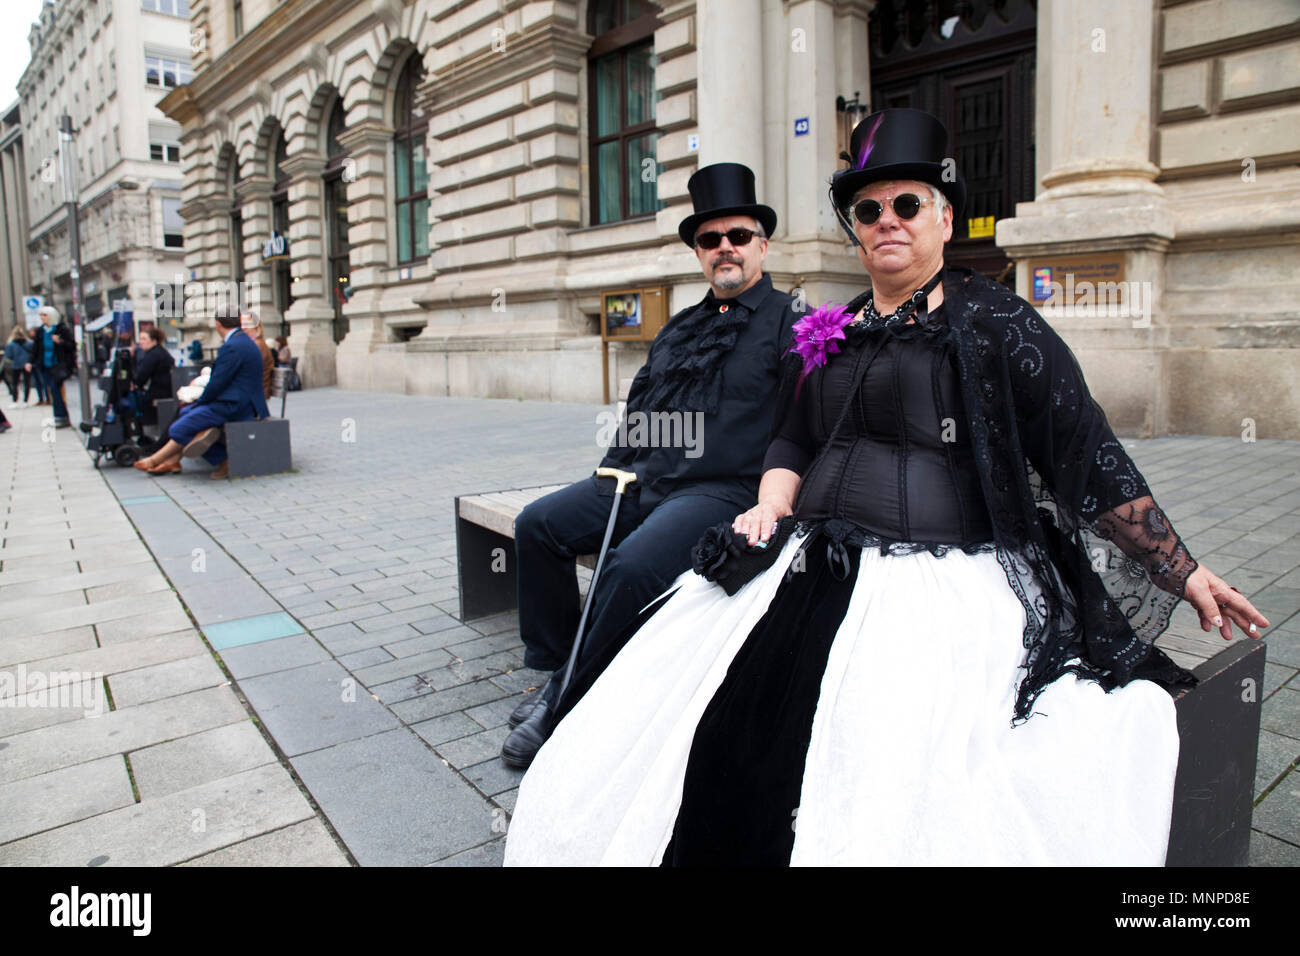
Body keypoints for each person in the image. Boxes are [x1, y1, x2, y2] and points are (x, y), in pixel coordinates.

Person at [503, 109, 1269, 867]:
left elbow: (1085, 452)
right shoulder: (829, 332)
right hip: (805, 555)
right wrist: (772, 500)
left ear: (943, 218)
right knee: (699, 717)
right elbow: (793, 438)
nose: (886, 222)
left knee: (874, 751)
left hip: (939, 578)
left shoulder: (997, 321)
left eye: (906, 205)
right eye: (868, 210)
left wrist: (1183, 567)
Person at [500, 162, 800, 769]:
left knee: (631, 565)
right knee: (538, 525)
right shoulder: (679, 329)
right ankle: (562, 662)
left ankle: (563, 702)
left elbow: (802, 427)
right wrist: (611, 468)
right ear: (697, 251)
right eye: (710, 240)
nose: (725, 249)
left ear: (762, 245)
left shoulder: (791, 323)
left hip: (721, 490)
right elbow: (641, 410)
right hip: (644, 479)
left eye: (738, 236)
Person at [132, 305, 269, 479]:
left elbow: (217, 383)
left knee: (179, 428)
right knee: (186, 413)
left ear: (218, 325)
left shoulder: (233, 345)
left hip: (234, 406)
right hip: (239, 401)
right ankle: (165, 459)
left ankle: (221, 458)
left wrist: (202, 401)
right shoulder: (241, 342)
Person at [25, 306, 76, 427]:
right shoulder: (41, 331)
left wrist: (61, 342)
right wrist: (30, 362)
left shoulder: (61, 329)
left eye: (45, 315)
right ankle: (62, 416)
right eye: (41, 315)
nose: (42, 318)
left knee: (54, 388)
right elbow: (36, 349)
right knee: (53, 390)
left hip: (58, 365)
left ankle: (60, 416)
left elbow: (72, 346)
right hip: (45, 365)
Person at [131, 326, 176, 426]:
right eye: (140, 339)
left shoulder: (153, 354)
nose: (141, 342)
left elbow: (142, 374)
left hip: (160, 392)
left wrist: (135, 383)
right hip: (165, 389)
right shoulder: (159, 351)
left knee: (137, 403)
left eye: (144, 339)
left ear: (153, 341)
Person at [240, 311, 275, 400]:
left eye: (247, 324)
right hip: (252, 390)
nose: (243, 327)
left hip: (255, 393)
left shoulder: (257, 345)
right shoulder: (251, 343)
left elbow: (251, 371)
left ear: (256, 326)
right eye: (241, 324)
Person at [4, 327, 31, 404]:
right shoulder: (28, 343)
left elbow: (8, 355)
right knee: (27, 383)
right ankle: (25, 401)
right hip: (26, 364)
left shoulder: (11, 344)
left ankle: (15, 400)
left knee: (15, 383)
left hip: (16, 365)